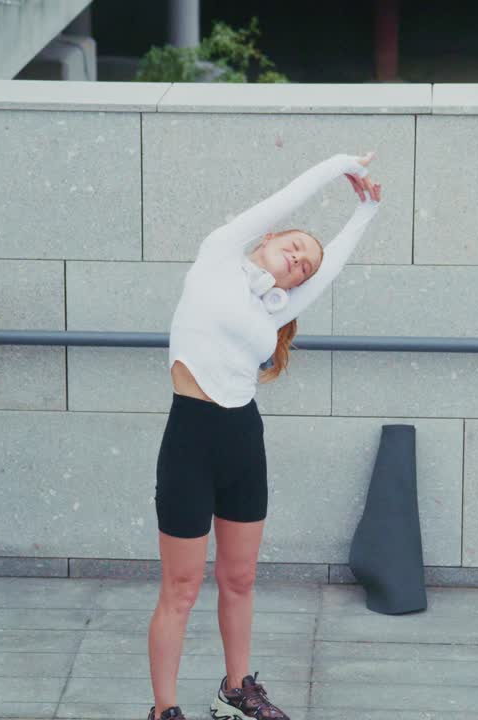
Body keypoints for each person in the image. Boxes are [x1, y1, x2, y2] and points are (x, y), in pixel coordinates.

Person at [146, 151, 383, 720]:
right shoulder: (217, 257)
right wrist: (339, 166)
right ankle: (163, 710)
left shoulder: (273, 312)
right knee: (181, 587)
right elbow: (285, 198)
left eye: (304, 266)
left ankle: (235, 692)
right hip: (191, 438)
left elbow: (331, 269)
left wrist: (366, 212)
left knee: (241, 577)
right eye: (296, 247)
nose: (300, 262)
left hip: (242, 440)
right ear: (270, 238)